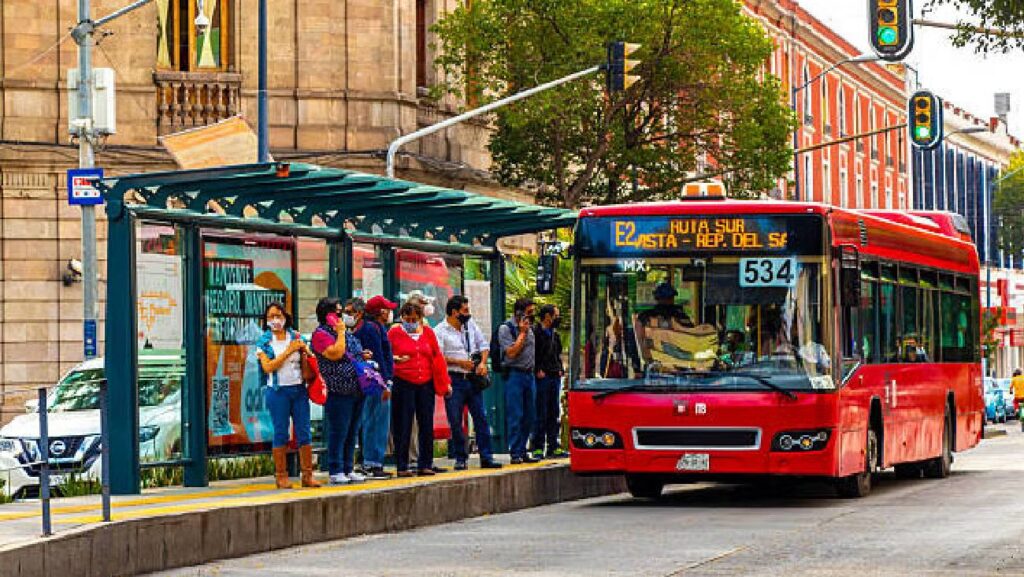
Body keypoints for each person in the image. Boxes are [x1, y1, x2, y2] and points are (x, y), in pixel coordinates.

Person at [255, 302, 320, 489]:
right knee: (281, 432)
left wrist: (305, 352)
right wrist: (288, 351)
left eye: (278, 315)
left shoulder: (296, 336)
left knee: (304, 431)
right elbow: (268, 367)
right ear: (266, 320)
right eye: (271, 317)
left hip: (298, 389)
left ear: (285, 317)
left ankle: (307, 474)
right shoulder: (264, 342)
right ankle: (281, 475)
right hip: (278, 391)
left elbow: (307, 364)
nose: (275, 320)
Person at [435, 295, 503, 470]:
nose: (468, 313)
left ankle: (486, 456)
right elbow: (439, 357)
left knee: (481, 418)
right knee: (455, 420)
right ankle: (460, 457)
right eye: (464, 310)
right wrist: (459, 362)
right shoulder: (440, 331)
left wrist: (482, 363)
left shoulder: (470, 325)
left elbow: (483, 345)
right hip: (455, 379)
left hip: (473, 379)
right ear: (454, 312)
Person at [389, 302, 452, 477]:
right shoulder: (394, 333)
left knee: (426, 423)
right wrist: (395, 359)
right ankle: (402, 465)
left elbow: (437, 357)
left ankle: (425, 463)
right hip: (403, 382)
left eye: (414, 319)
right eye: (407, 319)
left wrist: (445, 382)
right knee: (403, 424)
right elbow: (386, 354)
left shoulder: (428, 333)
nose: (411, 322)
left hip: (426, 383)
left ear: (421, 319)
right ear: (402, 318)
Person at [312, 297, 368, 485]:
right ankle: (336, 469)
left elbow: (353, 351)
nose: (342, 315)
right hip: (338, 389)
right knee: (340, 430)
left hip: (356, 387)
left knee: (352, 430)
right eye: (337, 312)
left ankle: (348, 467)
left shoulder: (348, 333)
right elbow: (336, 353)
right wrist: (341, 332)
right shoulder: (322, 334)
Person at [350, 296, 396, 480]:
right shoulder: (372, 329)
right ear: (380, 312)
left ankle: (370, 461)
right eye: (386, 309)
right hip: (376, 383)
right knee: (376, 422)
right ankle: (372, 462)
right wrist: (386, 382)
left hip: (373, 383)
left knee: (371, 421)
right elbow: (379, 357)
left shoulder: (372, 327)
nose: (389, 313)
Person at [499, 298, 540, 464]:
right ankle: (515, 452)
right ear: (519, 312)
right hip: (514, 374)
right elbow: (510, 353)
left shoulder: (530, 329)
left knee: (529, 415)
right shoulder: (506, 329)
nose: (532, 316)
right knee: (516, 414)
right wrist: (522, 333)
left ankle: (523, 449)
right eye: (529, 312)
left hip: (529, 375)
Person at [531, 305, 567, 459]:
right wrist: (538, 369)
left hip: (554, 375)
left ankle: (553, 445)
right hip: (542, 376)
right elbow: (533, 353)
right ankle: (537, 446)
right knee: (541, 412)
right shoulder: (536, 333)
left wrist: (559, 369)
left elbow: (557, 353)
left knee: (554, 411)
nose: (558, 318)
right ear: (547, 316)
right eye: (556, 315)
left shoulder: (555, 334)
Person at [635, 282, 693, 364]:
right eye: (668, 298)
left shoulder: (644, 317)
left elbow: (639, 340)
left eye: (669, 298)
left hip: (657, 360)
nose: (668, 300)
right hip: (675, 360)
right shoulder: (680, 316)